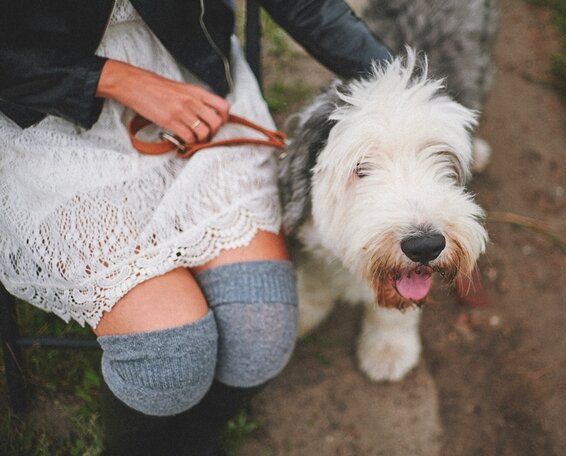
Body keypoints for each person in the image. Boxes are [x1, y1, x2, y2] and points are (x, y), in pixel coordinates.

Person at [0, 0, 390, 454]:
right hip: (39, 113)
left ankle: (188, 443)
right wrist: (113, 79)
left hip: (192, 80)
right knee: (170, 359)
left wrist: (401, 86)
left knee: (260, 342)